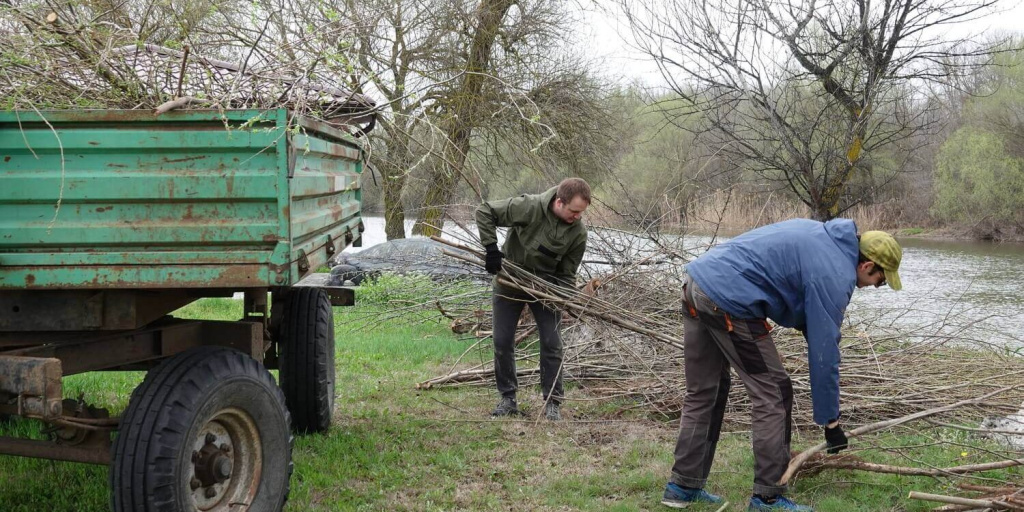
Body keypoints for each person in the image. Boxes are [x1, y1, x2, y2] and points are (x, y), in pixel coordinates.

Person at [660, 219, 902, 511]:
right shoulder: (836, 274)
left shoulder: (821, 236)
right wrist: (831, 422)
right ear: (866, 266)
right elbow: (825, 355)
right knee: (774, 393)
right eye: (881, 279)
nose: (877, 287)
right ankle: (768, 497)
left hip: (697, 284)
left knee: (704, 391)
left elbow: (802, 306)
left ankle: (681, 487)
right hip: (728, 301)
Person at [475, 178, 591, 421]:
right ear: (559, 202)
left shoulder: (578, 233)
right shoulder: (530, 207)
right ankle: (508, 399)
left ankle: (553, 403)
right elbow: (484, 211)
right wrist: (491, 249)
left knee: (552, 342)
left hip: (545, 289)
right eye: (574, 211)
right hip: (510, 279)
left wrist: (564, 298)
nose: (577, 217)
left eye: (581, 212)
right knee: (502, 340)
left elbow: (568, 273)